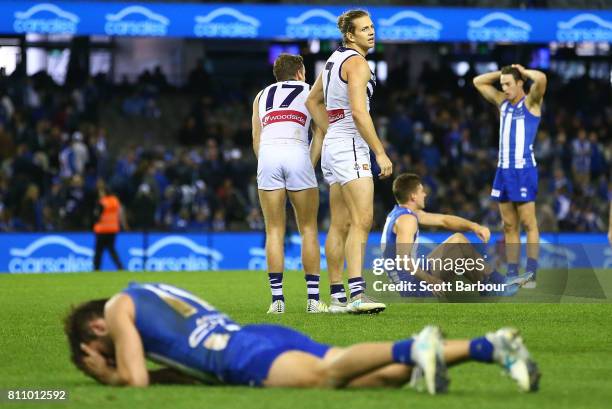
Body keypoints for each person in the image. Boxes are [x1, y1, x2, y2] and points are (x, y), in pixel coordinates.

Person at [64, 282, 540, 393]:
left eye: (98, 347)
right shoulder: (150, 293)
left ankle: (417, 345)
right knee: (374, 380)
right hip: (255, 336)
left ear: (97, 329)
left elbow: (136, 380)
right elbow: (168, 370)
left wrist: (106, 374)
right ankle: (489, 345)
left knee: (325, 375)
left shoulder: (116, 306)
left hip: (241, 357)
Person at [306, 9, 392, 314]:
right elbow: (359, 112)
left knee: (339, 223)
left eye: (372, 27)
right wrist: (379, 151)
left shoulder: (333, 60)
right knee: (362, 219)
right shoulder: (357, 63)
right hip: (351, 144)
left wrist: (329, 131)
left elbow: (312, 101)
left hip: (334, 145)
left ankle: (337, 297)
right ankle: (357, 294)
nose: (371, 32)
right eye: (364, 29)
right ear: (350, 35)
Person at [252, 54, 327, 314]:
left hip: (269, 155)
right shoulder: (311, 90)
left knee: (274, 230)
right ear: (299, 73)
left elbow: (256, 138)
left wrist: (267, 164)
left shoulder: (261, 96)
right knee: (308, 229)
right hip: (297, 152)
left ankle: (277, 301)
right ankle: (313, 300)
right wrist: (310, 163)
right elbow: (321, 131)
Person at [381, 174, 526, 297]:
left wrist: (474, 227)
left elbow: (444, 220)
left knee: (458, 244)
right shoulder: (407, 220)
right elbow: (404, 261)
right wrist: (431, 280)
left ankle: (489, 288)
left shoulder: (403, 214)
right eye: (421, 191)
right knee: (458, 241)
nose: (425, 194)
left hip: (411, 278)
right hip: (411, 287)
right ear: (413, 196)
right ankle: (499, 282)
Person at [473, 64, 547, 288]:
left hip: (523, 170)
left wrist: (521, 71)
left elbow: (541, 79)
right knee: (508, 226)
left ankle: (531, 273)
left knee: (528, 223)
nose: (504, 88)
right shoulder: (502, 103)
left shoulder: (531, 103)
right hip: (503, 170)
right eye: (502, 84)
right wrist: (503, 74)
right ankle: (514, 273)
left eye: (508, 84)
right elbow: (478, 81)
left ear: (520, 83)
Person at [93, 181, 128, 271]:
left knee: (98, 251)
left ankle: (96, 269)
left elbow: (97, 216)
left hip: (102, 230)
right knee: (112, 250)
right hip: (113, 229)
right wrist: (124, 226)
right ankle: (120, 267)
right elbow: (120, 214)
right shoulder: (115, 200)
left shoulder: (102, 202)